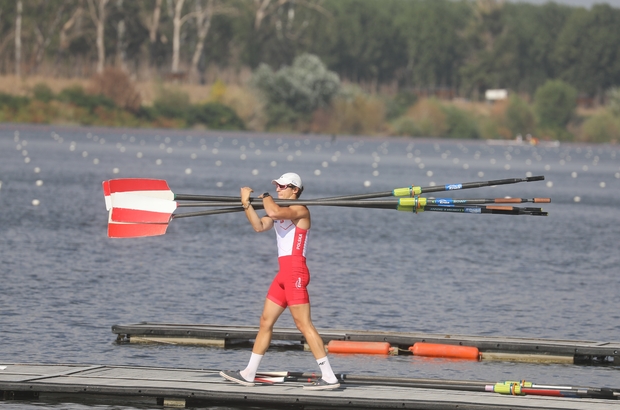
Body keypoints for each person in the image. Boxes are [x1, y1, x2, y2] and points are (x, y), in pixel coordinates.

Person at [220, 172, 340, 391]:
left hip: (295, 271)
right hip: (283, 275)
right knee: (265, 321)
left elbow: (273, 211)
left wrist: (264, 195)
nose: (278, 188)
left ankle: (329, 376)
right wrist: (246, 204)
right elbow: (259, 225)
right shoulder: (279, 212)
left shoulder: (301, 210)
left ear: (295, 190)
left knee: (303, 324)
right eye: (276, 186)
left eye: (283, 186)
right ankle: (248, 373)